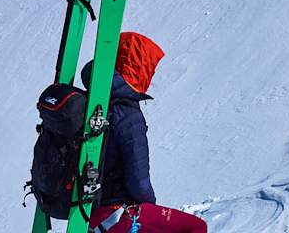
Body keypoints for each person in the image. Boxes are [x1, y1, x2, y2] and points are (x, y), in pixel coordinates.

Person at [82, 32, 207, 233]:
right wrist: (151, 208)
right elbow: (138, 181)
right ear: (138, 67)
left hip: (88, 213)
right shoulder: (128, 114)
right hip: (118, 214)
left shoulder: (92, 104)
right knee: (195, 227)